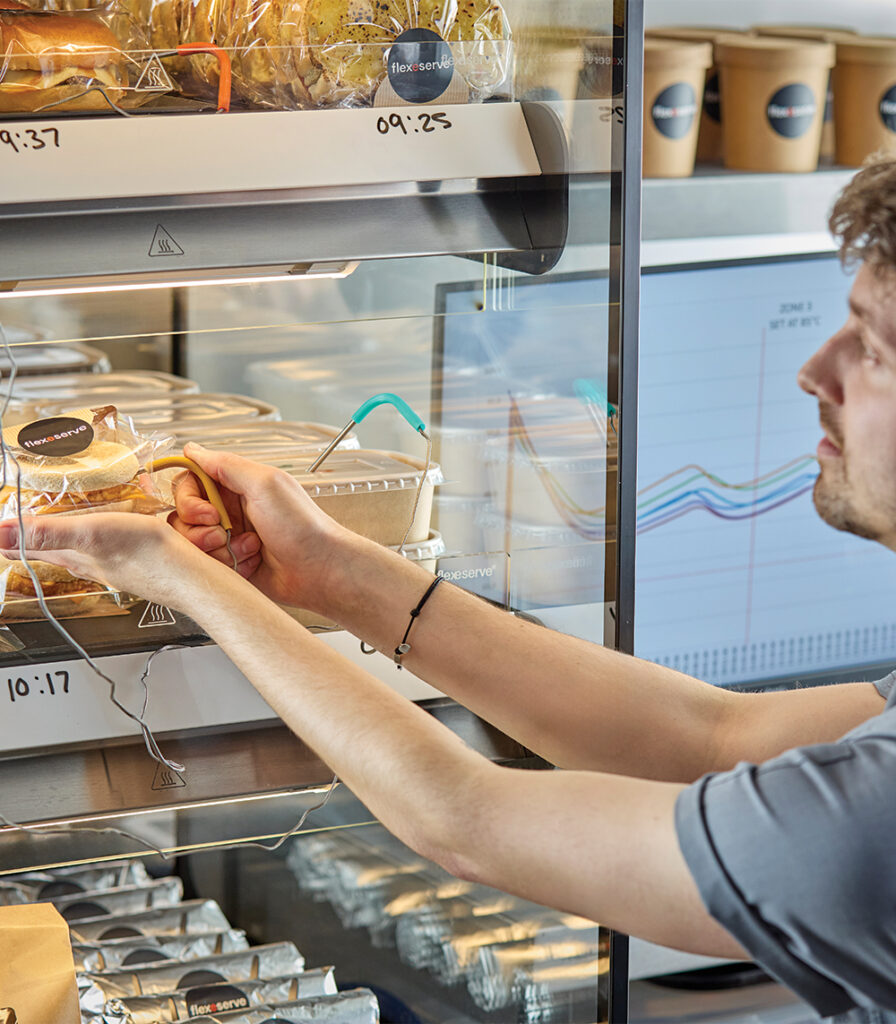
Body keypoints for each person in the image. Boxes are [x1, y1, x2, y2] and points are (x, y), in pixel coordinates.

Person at [4, 157, 896, 1023]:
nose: (816, 371)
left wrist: (184, 580)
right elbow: (713, 736)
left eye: (874, 347)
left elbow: (466, 822)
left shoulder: (873, 814)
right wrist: (338, 573)